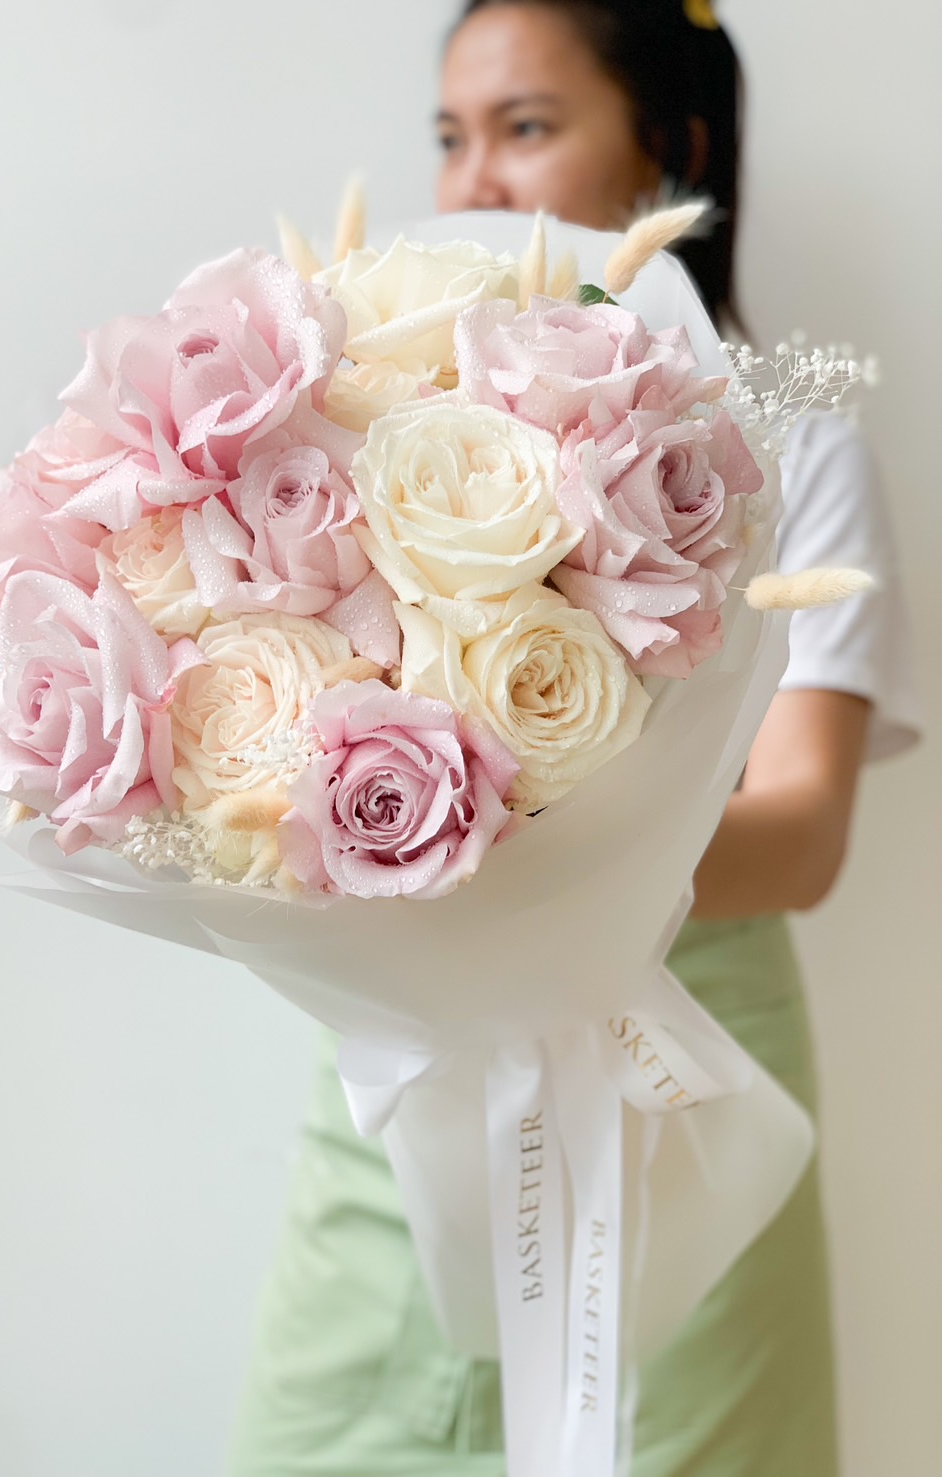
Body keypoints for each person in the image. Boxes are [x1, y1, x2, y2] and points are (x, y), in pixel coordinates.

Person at [229, 3, 921, 1472]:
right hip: (406, 1093)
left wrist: (497, 859)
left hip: (686, 1090)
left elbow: (799, 831)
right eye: (449, 135)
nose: (471, 179)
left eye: (527, 127)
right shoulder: (362, 443)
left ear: (669, 149)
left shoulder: (798, 452)